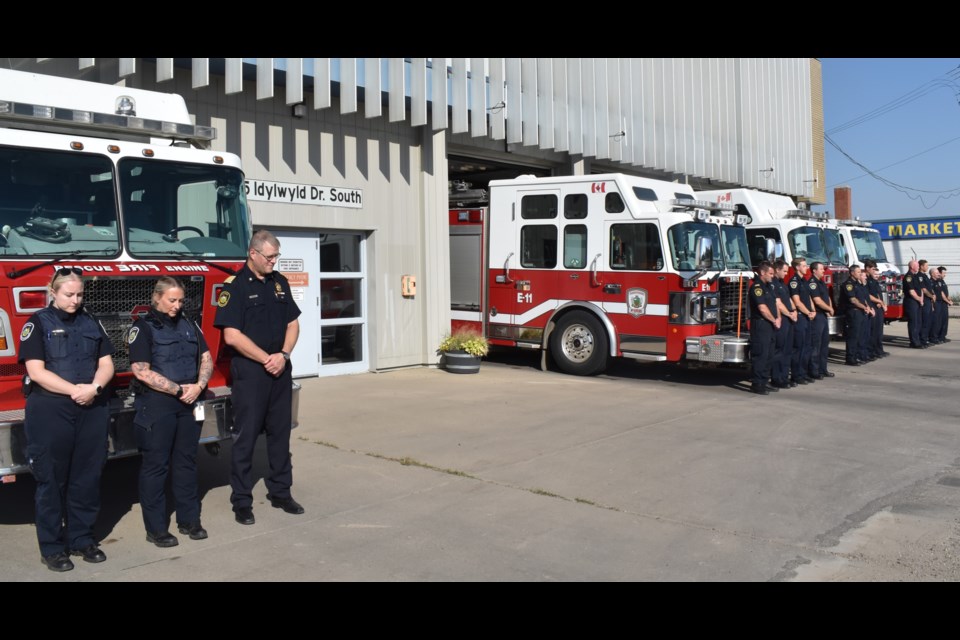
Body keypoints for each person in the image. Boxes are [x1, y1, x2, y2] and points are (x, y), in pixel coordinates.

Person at [18, 268, 115, 572]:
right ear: (53, 292)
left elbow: (106, 363)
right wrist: (76, 390)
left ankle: (82, 538)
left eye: (79, 294)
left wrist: (95, 388)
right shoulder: (37, 323)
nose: (75, 300)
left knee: (87, 477)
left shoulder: (91, 320)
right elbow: (36, 372)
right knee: (51, 481)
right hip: (51, 409)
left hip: (91, 407)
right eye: (68, 294)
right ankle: (53, 548)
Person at [214, 230, 302, 525]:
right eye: (270, 256)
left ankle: (281, 493)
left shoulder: (279, 283)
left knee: (280, 435)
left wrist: (284, 355)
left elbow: (293, 324)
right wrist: (266, 359)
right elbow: (231, 336)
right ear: (253, 254)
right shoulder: (235, 287)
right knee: (245, 437)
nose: (274, 261)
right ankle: (241, 501)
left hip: (280, 369)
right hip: (252, 372)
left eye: (277, 256)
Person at [129, 277, 213, 547]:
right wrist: (178, 390)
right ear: (157, 298)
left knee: (186, 463)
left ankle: (189, 520)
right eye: (171, 300)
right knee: (156, 467)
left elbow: (206, 357)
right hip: (158, 405)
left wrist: (199, 386)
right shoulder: (143, 328)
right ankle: (156, 529)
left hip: (189, 402)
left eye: (180, 300)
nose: (177, 305)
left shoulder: (189, 324)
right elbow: (141, 371)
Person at [748, 261, 781, 395]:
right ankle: (757, 384)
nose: (772, 276)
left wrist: (778, 318)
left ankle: (764, 381)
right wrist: (774, 320)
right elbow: (762, 308)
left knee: (769, 354)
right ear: (762, 272)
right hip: (761, 324)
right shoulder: (757, 287)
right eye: (770, 273)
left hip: (771, 324)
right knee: (761, 354)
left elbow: (775, 304)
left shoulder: (769, 287)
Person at [770, 259, 797, 388]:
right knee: (779, 350)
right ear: (777, 270)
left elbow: (789, 300)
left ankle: (784, 376)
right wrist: (789, 313)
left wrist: (794, 310)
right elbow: (778, 303)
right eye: (784, 271)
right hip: (783, 319)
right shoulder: (773, 284)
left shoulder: (782, 284)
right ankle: (776, 378)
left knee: (787, 349)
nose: (786, 274)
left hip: (789, 319)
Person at [789, 258, 815, 385]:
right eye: (804, 266)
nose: (806, 268)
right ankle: (796, 375)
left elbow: (809, 298)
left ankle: (803, 373)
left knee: (807, 347)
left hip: (807, 316)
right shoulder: (794, 282)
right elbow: (797, 301)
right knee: (798, 348)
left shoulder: (804, 281)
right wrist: (807, 312)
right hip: (800, 317)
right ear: (797, 267)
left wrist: (813, 310)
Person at [807, 262, 836, 379]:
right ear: (814, 271)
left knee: (824, 344)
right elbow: (817, 301)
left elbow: (826, 297)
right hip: (817, 315)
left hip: (823, 315)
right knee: (816, 345)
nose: (823, 271)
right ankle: (814, 371)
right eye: (821, 269)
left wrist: (830, 308)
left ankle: (823, 369)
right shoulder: (812, 283)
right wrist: (828, 308)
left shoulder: (821, 282)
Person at [839, 265, 870, 366]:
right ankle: (850, 358)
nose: (860, 274)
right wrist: (864, 307)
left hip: (860, 312)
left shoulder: (858, 284)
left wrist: (867, 306)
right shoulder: (848, 284)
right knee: (853, 336)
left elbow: (862, 297)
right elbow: (853, 300)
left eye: (860, 272)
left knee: (859, 335)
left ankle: (857, 356)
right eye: (857, 272)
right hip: (853, 312)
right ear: (852, 273)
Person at [864, 260, 888, 358]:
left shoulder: (874, 281)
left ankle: (879, 349)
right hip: (872, 307)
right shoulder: (867, 280)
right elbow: (868, 295)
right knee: (873, 331)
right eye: (873, 269)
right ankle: (871, 351)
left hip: (878, 307)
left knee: (879, 330)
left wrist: (882, 303)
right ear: (867, 269)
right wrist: (879, 302)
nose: (874, 271)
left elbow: (878, 294)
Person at [903, 260, 924, 348]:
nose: (919, 267)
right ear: (912, 266)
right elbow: (911, 292)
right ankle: (914, 342)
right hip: (911, 302)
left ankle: (917, 340)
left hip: (918, 301)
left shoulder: (915, 276)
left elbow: (920, 289)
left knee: (918, 322)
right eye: (917, 265)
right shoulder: (909, 277)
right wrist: (919, 299)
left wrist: (921, 299)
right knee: (913, 322)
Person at [918, 259, 935, 347]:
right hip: (924, 301)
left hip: (929, 301)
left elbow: (929, 287)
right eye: (926, 265)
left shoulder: (925, 276)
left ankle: (925, 339)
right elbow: (923, 289)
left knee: (928, 321)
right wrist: (931, 296)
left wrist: (933, 295)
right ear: (921, 266)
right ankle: (922, 340)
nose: (927, 267)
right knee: (924, 321)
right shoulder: (919, 276)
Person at [929, 268, 944, 345]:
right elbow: (932, 294)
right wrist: (933, 305)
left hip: (940, 302)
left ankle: (936, 336)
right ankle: (933, 338)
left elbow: (941, 292)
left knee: (939, 321)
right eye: (937, 273)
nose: (939, 274)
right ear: (932, 274)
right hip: (935, 303)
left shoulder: (938, 281)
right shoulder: (930, 282)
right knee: (935, 321)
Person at [937, 266, 952, 343]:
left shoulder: (943, 282)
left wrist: (949, 298)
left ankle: (943, 336)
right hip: (941, 304)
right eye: (944, 273)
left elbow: (945, 293)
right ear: (939, 273)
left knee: (945, 321)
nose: (945, 274)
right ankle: (939, 337)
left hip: (944, 304)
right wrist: (948, 301)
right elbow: (942, 294)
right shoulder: (938, 281)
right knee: (940, 321)